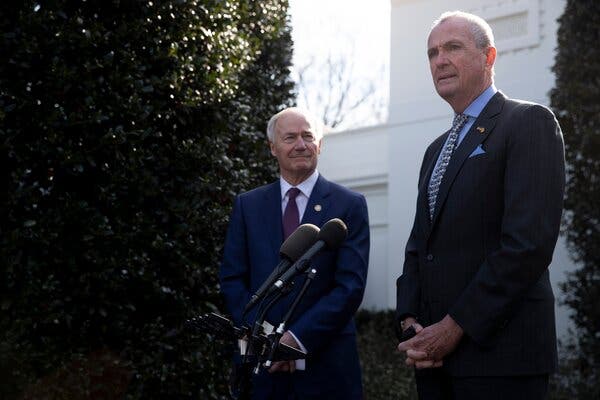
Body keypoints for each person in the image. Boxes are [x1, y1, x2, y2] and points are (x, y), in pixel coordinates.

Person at [395, 11, 565, 400]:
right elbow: (421, 246)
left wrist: (454, 328)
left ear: (489, 57)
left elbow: (527, 245)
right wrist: (410, 323)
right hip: (434, 363)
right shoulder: (434, 150)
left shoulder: (528, 122)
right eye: (432, 52)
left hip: (502, 361)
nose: (440, 60)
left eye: (453, 47)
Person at [220, 107, 370, 399]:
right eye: (290, 137)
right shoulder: (247, 206)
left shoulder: (349, 205)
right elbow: (233, 279)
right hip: (260, 369)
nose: (300, 144)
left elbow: (350, 286)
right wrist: (265, 340)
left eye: (308, 136)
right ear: (273, 148)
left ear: (320, 145)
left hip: (325, 367)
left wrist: (295, 340)